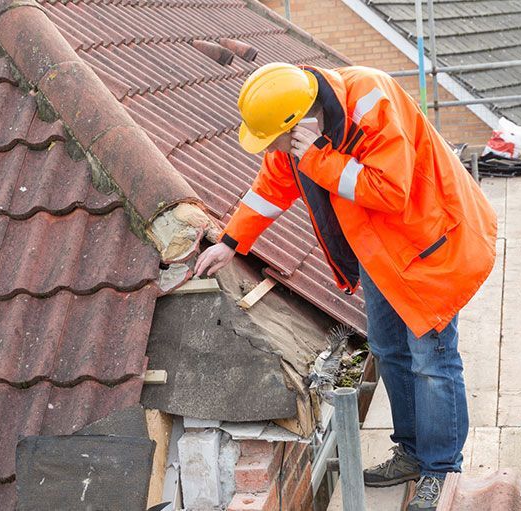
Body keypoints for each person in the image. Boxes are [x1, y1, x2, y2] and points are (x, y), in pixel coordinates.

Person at [194, 62, 497, 511]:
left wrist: (318, 158)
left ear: (298, 124)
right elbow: (272, 187)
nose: (275, 151)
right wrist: (232, 242)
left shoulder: (372, 100)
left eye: (277, 142)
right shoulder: (297, 117)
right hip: (378, 253)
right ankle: (413, 453)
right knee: (390, 350)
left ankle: (441, 470)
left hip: (427, 246)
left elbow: (390, 189)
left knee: (431, 360)